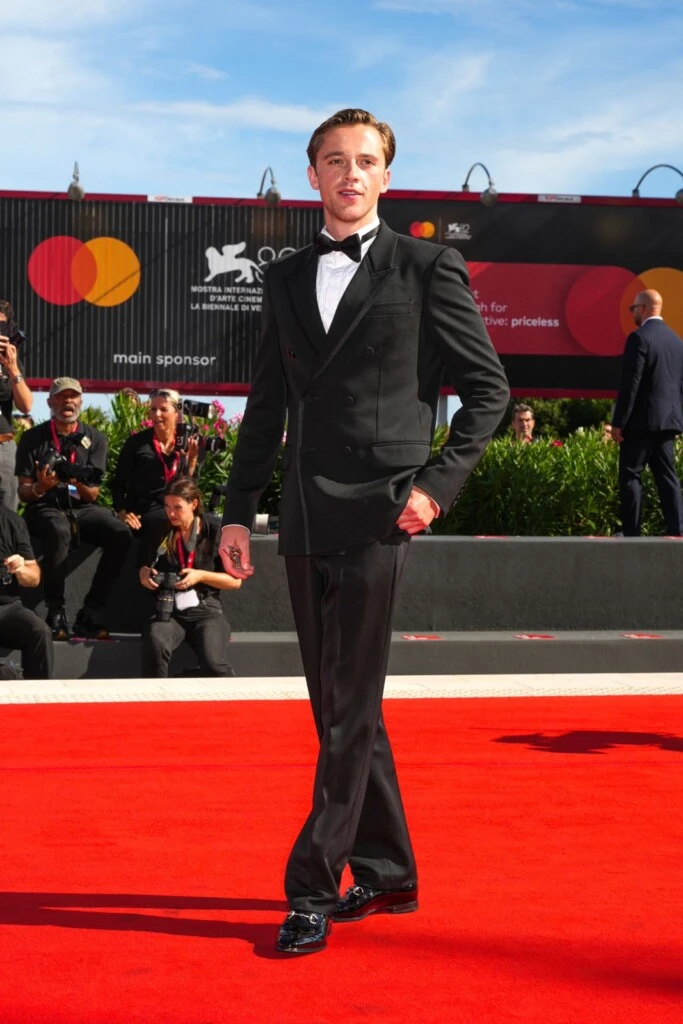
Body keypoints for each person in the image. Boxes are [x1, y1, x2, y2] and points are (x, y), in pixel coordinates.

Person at [219, 108, 509, 955]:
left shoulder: (427, 266)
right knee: (341, 707)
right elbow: (266, 404)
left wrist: (435, 488)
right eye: (335, 160)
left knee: (345, 708)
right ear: (311, 174)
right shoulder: (282, 278)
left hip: (381, 508)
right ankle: (388, 872)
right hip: (304, 513)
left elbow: (488, 391)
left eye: (366, 161)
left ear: (386, 175)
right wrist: (237, 509)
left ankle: (311, 886)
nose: (350, 173)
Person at [15, 377, 133, 640]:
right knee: (58, 529)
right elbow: (23, 493)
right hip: (44, 505)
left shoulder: (96, 438)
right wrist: (41, 486)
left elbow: (93, 494)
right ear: (50, 402)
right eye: (60, 397)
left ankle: (90, 612)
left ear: (81, 401)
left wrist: (75, 477)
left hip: (81, 507)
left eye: (72, 396)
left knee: (120, 533)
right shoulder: (33, 438)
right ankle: (55, 612)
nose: (67, 402)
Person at [138, 477, 240, 677]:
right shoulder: (160, 528)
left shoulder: (218, 531)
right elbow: (143, 565)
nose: (171, 513)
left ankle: (197, 681)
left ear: (194, 504)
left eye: (177, 507)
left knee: (213, 664)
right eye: (167, 506)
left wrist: (200, 576)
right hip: (169, 610)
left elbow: (236, 581)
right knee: (155, 641)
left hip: (206, 610)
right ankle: (155, 693)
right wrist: (144, 574)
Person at [611, 289, 683, 536]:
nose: (632, 313)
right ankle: (678, 531)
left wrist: (619, 422)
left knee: (631, 475)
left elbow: (631, 384)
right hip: (668, 422)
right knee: (667, 477)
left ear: (642, 308)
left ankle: (632, 534)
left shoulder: (639, 338)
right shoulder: (676, 341)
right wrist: (676, 421)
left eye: (633, 308)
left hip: (640, 423)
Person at [112, 388, 199, 539]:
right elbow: (118, 485)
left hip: (176, 508)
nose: (157, 414)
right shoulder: (136, 443)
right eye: (153, 409)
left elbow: (189, 488)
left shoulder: (186, 443)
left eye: (163, 409)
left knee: (210, 523)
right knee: (167, 520)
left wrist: (191, 461)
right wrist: (123, 513)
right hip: (145, 511)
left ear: (177, 413)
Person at [0, 502, 53, 678]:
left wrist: (20, 568)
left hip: (6, 606)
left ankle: (40, 693)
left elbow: (34, 577)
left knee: (39, 631)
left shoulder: (12, 521)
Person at [0, 300, 33, 511]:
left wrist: (12, 368)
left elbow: (26, 405)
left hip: (3, 446)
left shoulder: (9, 359)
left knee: (7, 517)